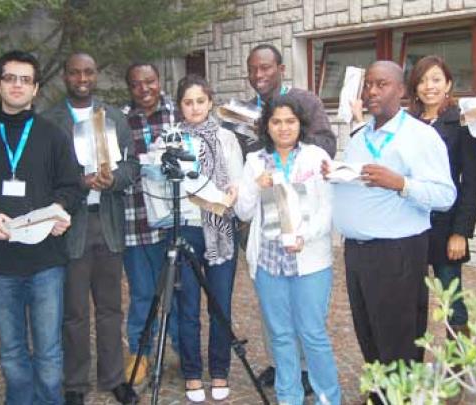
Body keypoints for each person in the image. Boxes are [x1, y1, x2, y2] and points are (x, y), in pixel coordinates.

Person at [0, 50, 82, 405]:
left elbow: (71, 186)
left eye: (25, 79)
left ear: (36, 88)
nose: (17, 85)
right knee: (11, 352)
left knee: (49, 352)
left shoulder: (53, 136)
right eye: (10, 78)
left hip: (45, 263)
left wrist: (59, 209)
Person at [324, 60, 455, 401]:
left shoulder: (421, 137)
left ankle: (402, 397)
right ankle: (382, 394)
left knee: (398, 337)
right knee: (368, 333)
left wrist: (401, 184)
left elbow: (445, 195)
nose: (371, 91)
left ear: (401, 91)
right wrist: (335, 173)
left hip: (397, 253)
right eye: (368, 84)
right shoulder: (360, 136)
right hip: (357, 252)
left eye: (382, 85)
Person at [42, 53, 139, 405]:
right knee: (74, 312)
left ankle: (114, 378)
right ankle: (75, 385)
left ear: (96, 75)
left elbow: (132, 167)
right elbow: (44, 176)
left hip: (109, 223)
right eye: (74, 73)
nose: (82, 78)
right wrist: (78, 182)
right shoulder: (50, 121)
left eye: (88, 72)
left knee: (111, 308)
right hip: (71, 227)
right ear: (65, 77)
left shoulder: (113, 116)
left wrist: (114, 179)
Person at [236, 95, 341, 405]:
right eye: (276, 121)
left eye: (290, 121)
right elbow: (243, 212)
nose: (284, 128)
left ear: (301, 124)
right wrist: (256, 184)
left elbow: (327, 210)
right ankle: (289, 398)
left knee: (312, 335)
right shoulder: (255, 160)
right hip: (269, 262)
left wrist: (304, 236)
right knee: (281, 336)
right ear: (266, 125)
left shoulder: (316, 156)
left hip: (309, 260)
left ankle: (328, 399)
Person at [169, 74, 243, 402]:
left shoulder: (227, 138)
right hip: (186, 229)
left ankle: (219, 370)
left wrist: (223, 199)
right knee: (187, 307)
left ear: (210, 101)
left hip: (220, 229)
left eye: (200, 100)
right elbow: (165, 185)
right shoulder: (171, 138)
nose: (195, 107)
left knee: (220, 305)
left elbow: (236, 184)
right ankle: (191, 372)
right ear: (180, 106)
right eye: (188, 102)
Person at [407, 55, 476, 336]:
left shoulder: (461, 124)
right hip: (410, 224)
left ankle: (459, 368)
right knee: (412, 299)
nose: (429, 86)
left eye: (436, 79)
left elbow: (472, 183)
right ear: (414, 87)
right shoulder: (407, 124)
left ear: (448, 84)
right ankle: (410, 366)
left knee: (452, 300)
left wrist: (460, 232)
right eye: (423, 80)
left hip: (446, 226)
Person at [120, 62, 180, 383]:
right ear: (128, 88)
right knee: (143, 292)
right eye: (136, 84)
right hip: (136, 222)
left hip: (176, 221)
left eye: (150, 82)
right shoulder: (119, 120)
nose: (144, 89)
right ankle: (140, 352)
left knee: (180, 291)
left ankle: (184, 350)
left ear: (159, 81)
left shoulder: (178, 113)